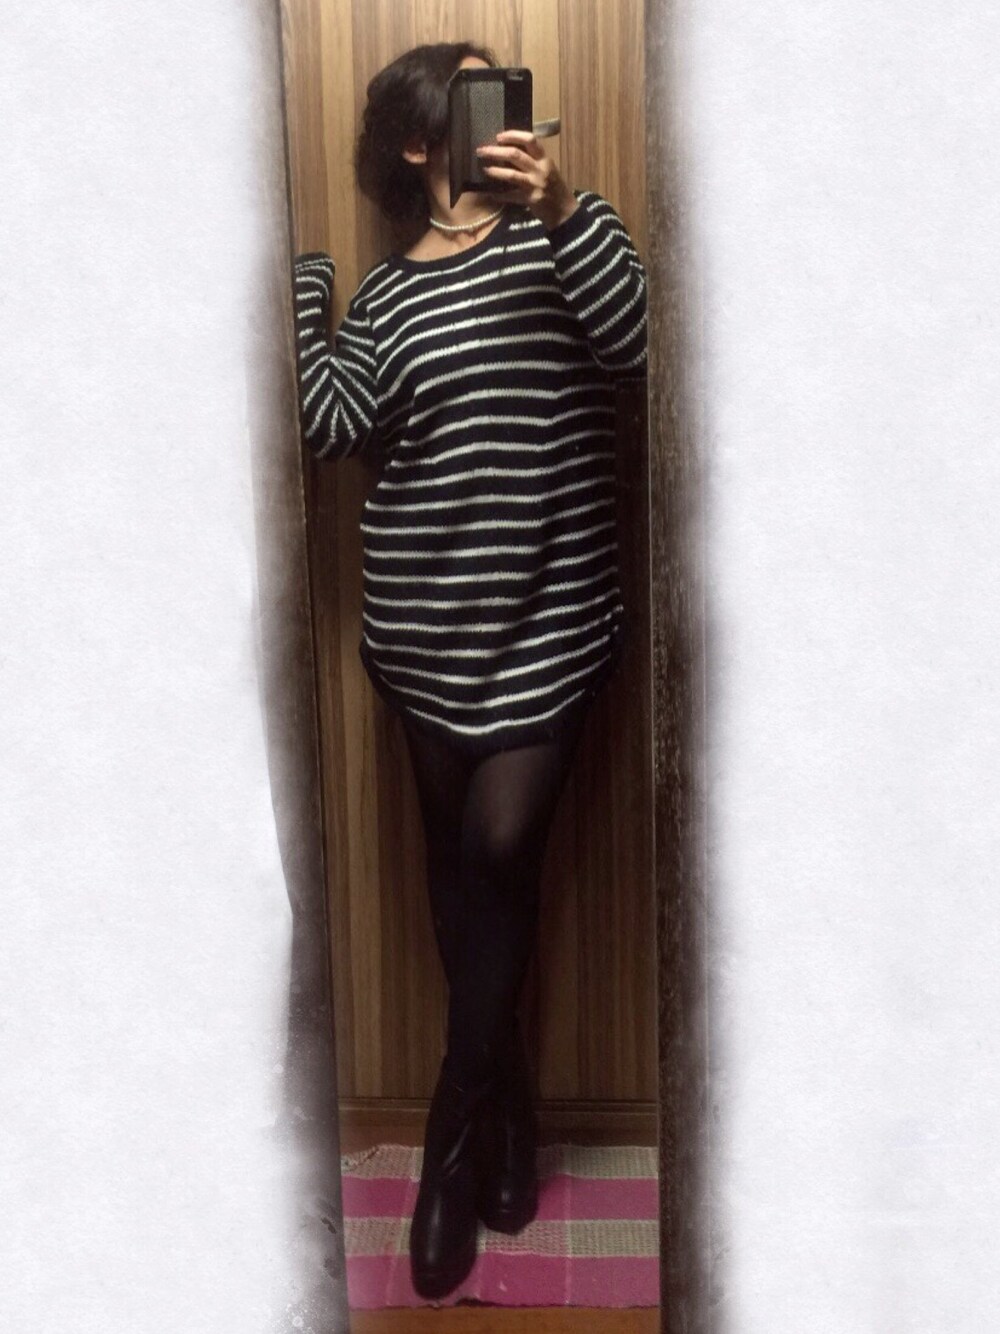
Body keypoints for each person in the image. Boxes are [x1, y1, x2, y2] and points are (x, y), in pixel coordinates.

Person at [291, 40, 647, 1301]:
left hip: (551, 621)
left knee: (498, 851)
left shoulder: (562, 238)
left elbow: (637, 349)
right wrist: (310, 290)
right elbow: (330, 422)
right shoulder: (388, 297)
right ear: (416, 140)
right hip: (421, 631)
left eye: (514, 95)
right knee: (458, 878)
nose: (512, 115)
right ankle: (511, 1117)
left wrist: (568, 206)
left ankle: (452, 1135)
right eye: (479, 95)